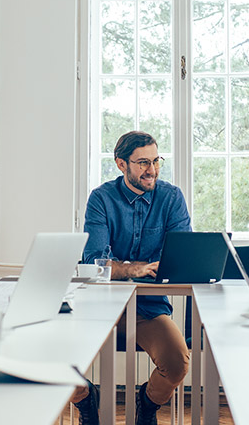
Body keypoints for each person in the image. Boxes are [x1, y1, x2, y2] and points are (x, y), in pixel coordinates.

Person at [76, 131, 191, 425]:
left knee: (177, 363)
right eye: (142, 163)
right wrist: (134, 268)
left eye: (155, 161)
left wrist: (128, 267)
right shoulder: (101, 199)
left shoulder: (171, 197)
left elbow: (181, 256)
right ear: (121, 164)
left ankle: (147, 402)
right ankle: (86, 398)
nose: (151, 170)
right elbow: (93, 261)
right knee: (55, 359)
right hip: (98, 306)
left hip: (147, 308)